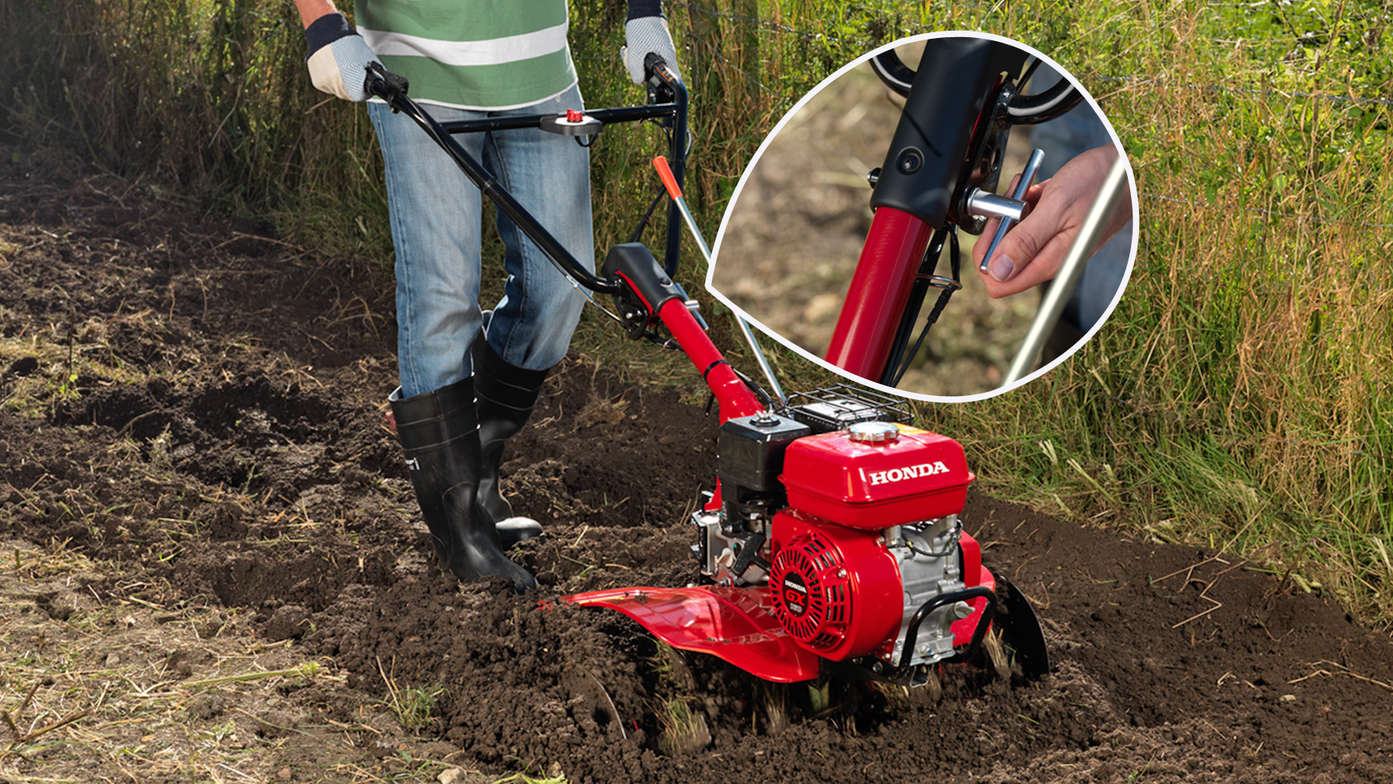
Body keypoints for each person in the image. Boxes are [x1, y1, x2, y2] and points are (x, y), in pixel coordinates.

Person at [292, 0, 682, 590]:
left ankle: (478, 464)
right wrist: (322, 23)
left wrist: (644, 13)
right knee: (442, 295)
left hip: (542, 75)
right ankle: (461, 528)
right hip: (414, 78)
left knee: (558, 288)